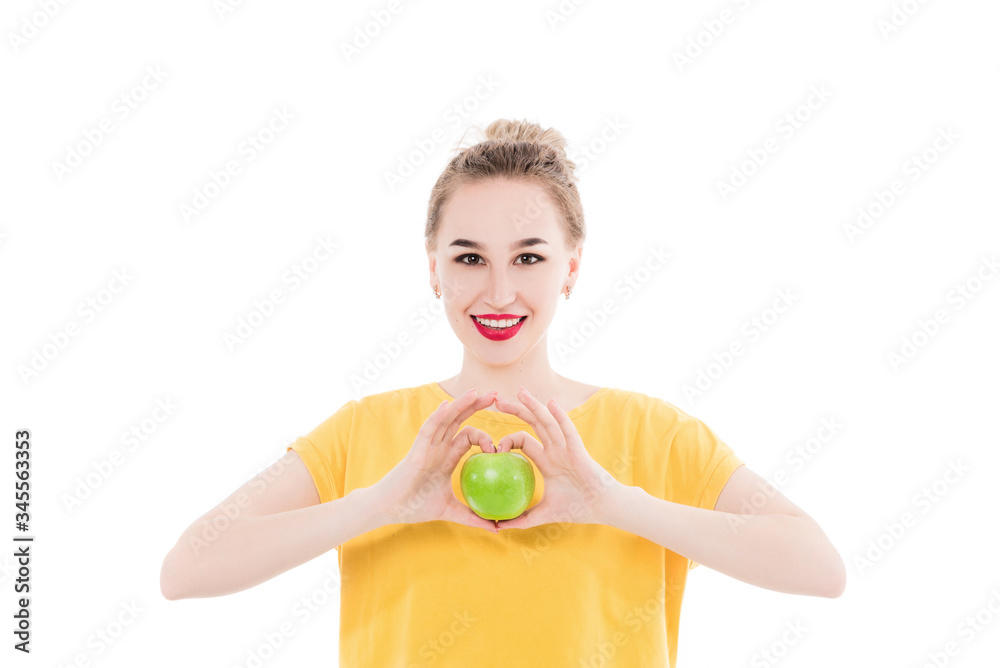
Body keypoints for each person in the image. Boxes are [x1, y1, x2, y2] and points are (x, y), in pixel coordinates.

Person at [160, 118, 846, 667]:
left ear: (570, 268)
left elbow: (819, 566)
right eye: (468, 258)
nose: (497, 292)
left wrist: (613, 503)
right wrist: (383, 503)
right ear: (434, 269)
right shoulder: (366, 432)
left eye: (528, 257)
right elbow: (188, 568)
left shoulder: (652, 433)